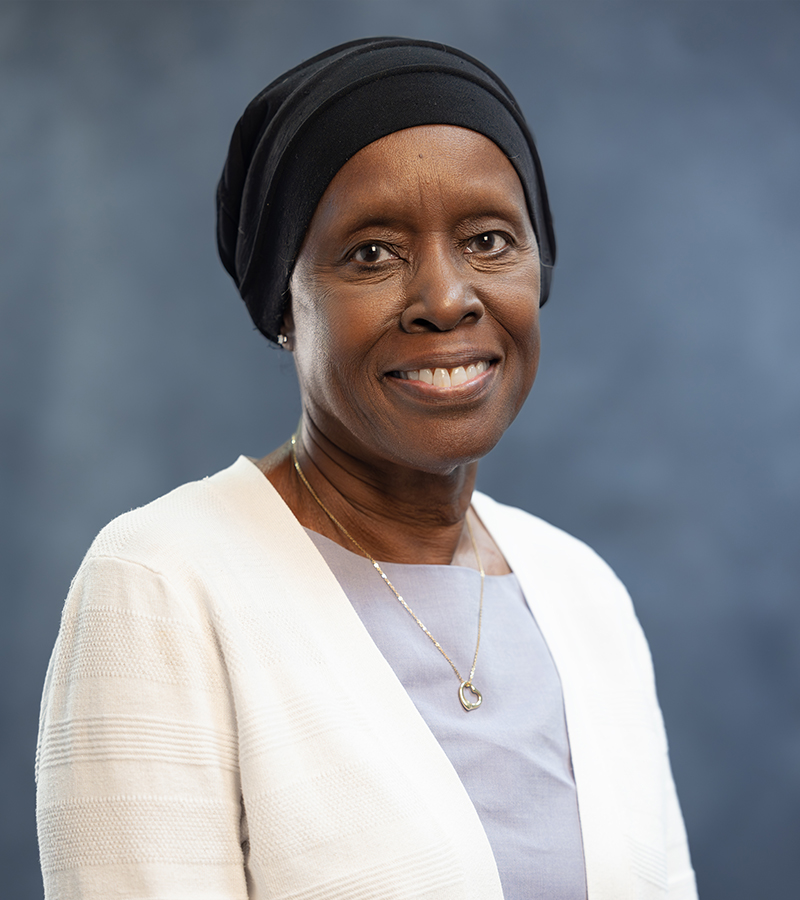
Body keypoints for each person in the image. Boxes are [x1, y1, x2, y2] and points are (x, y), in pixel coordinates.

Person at [35, 38, 697, 900]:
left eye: (489, 239)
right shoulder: (162, 584)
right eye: (373, 254)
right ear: (284, 304)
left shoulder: (585, 594)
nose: (447, 297)